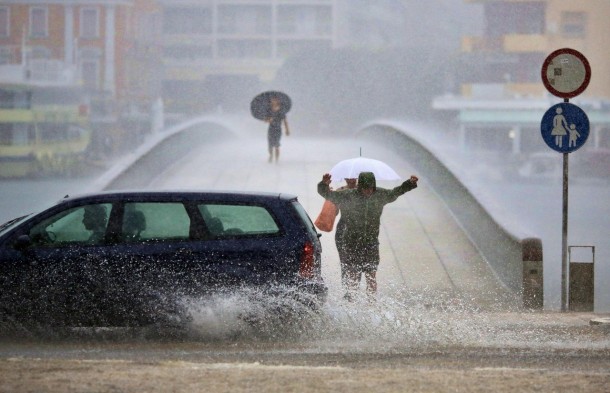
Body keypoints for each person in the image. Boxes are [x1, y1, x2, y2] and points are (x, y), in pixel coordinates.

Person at [318, 171, 419, 300]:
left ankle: (372, 301)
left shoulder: (380, 195)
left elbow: (396, 192)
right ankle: (352, 301)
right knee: (353, 274)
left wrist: (409, 184)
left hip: (371, 243)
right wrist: (323, 184)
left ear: (374, 187)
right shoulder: (348, 195)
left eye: (370, 188)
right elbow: (328, 194)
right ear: (360, 187)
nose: (368, 192)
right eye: (365, 189)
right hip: (351, 242)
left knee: (371, 275)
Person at [334, 178, 358, 289]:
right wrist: (331, 199)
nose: (351, 180)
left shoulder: (364, 192)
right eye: (348, 177)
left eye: (353, 177)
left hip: (359, 230)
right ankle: (346, 289)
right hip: (343, 229)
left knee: (357, 262)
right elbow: (334, 213)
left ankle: (355, 288)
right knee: (344, 261)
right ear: (345, 178)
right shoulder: (340, 191)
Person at [266, 96, 290, 163]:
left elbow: (285, 121)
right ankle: (271, 155)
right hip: (270, 129)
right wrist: (269, 120)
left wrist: (287, 130)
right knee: (270, 145)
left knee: (276, 145)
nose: (273, 101)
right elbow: (266, 120)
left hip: (278, 129)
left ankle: (276, 160)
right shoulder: (269, 110)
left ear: (277, 101)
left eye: (274, 99)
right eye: (272, 99)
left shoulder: (281, 111)